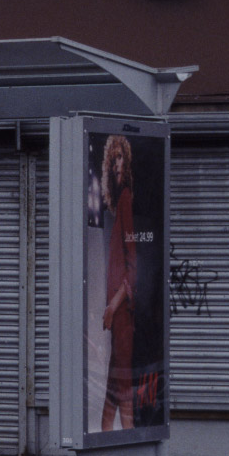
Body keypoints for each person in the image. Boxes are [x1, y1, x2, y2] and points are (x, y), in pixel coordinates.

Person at [100, 135, 137, 432]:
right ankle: (110, 441)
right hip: (118, 316)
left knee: (121, 386)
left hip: (122, 315)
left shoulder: (126, 199)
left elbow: (133, 268)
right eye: (112, 160)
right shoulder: (119, 204)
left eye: (120, 158)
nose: (116, 165)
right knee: (114, 387)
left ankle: (128, 442)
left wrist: (112, 307)